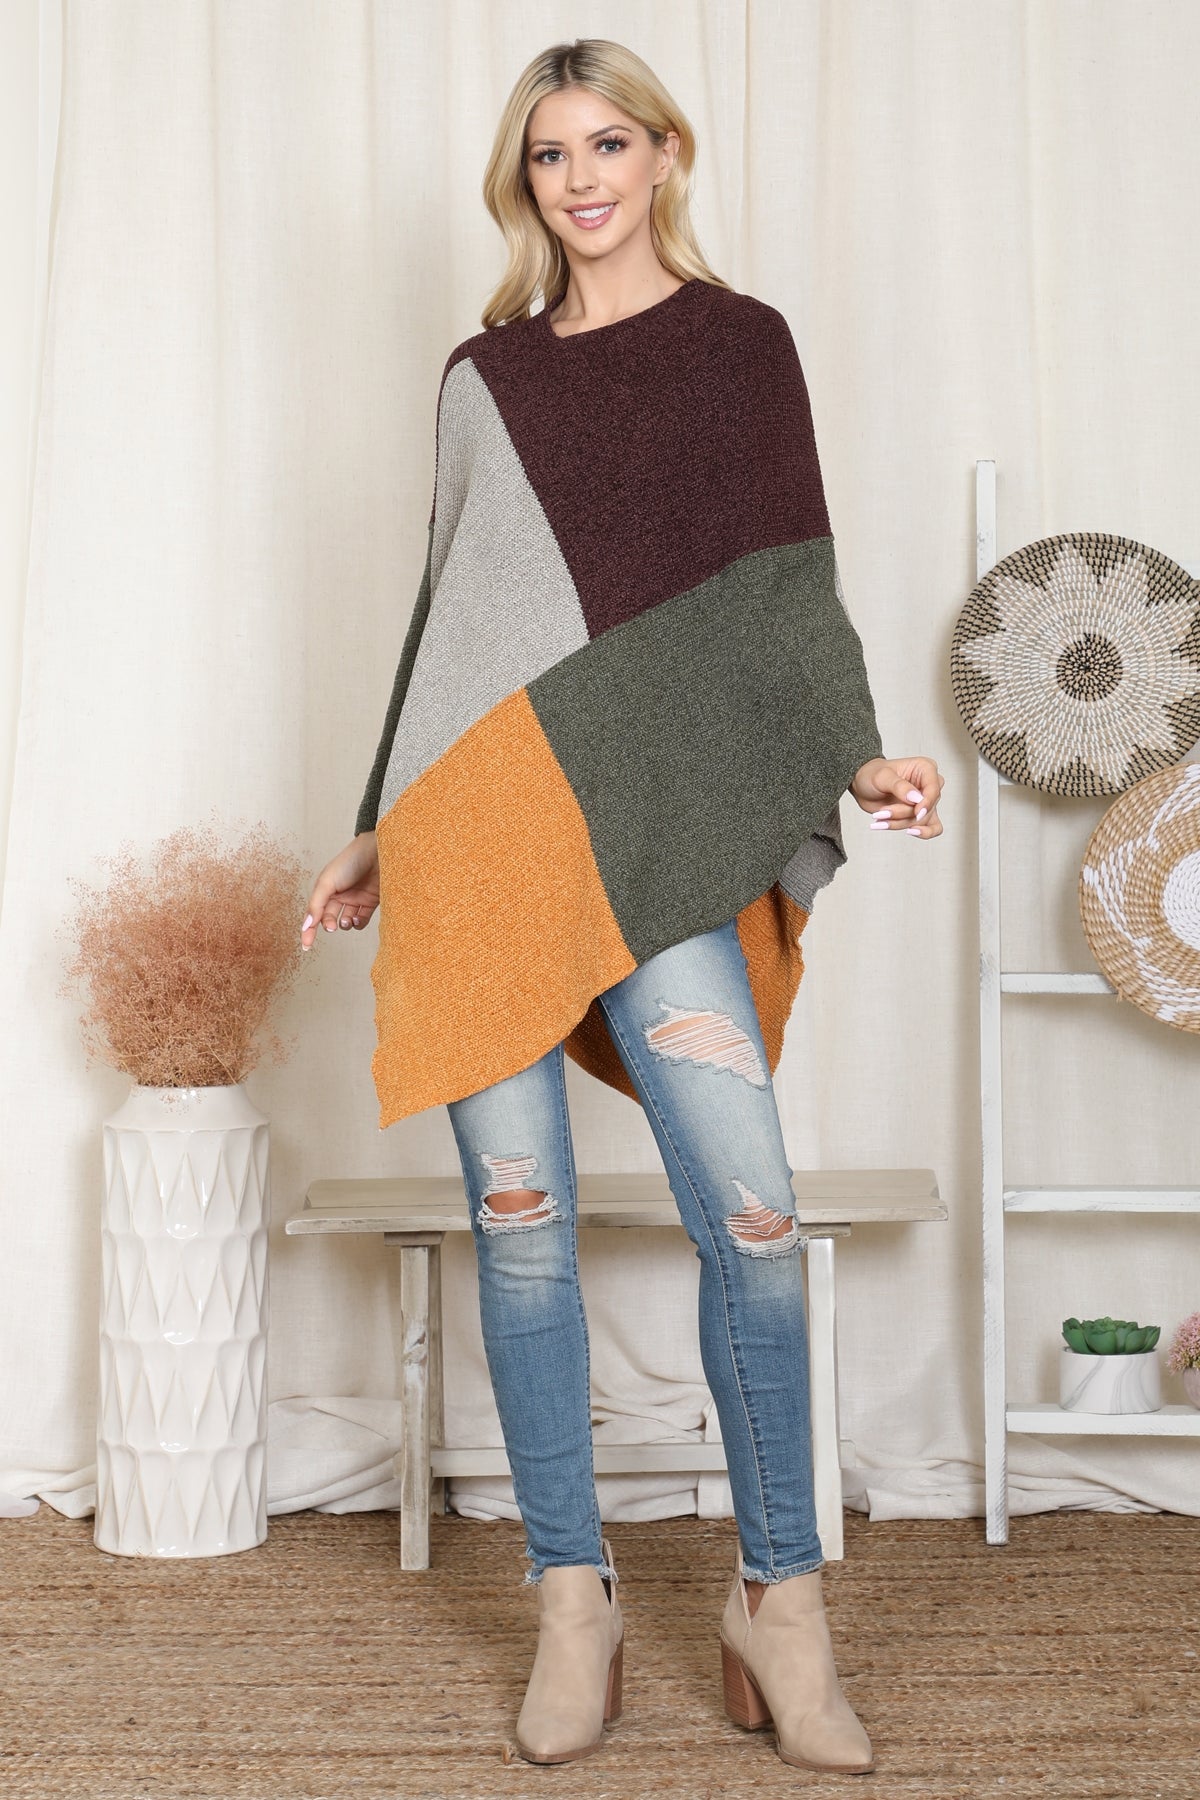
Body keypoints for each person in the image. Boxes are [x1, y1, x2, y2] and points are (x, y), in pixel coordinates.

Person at [303, 37, 943, 1775]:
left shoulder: (743, 348)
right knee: (521, 1221)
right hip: (480, 843)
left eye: (607, 144)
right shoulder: (485, 377)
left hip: (661, 832)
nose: (579, 179)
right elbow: (448, 619)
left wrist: (860, 753)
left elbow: (793, 587)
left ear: (665, 153)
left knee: (751, 1211)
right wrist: (373, 827)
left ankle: (779, 1603)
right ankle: (570, 1600)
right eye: (549, 154)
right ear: (522, 181)